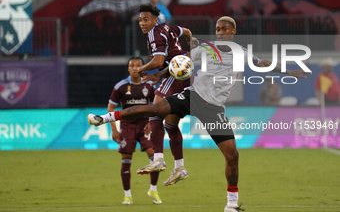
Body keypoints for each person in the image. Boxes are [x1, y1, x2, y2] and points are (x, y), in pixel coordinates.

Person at [88, 16, 311, 212]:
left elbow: (262, 63)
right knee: (157, 110)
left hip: (214, 109)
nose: (221, 32)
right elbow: (180, 61)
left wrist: (290, 71)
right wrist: (161, 74)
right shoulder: (205, 49)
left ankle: (231, 205)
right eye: (218, 29)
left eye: (225, 29)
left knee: (232, 156)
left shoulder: (241, 53)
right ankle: (105, 118)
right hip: (193, 97)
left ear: (233, 31)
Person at [135, 3, 192, 186]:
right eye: (140, 20)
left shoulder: (154, 33)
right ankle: (180, 168)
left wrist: (139, 69)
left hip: (174, 73)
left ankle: (158, 159)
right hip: (185, 72)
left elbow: (158, 60)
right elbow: (188, 32)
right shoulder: (169, 27)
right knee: (170, 123)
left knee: (154, 111)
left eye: (146, 19)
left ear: (154, 19)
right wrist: (190, 48)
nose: (142, 23)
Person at [106, 56, 161, 205]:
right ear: (128, 68)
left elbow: (157, 105)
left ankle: (153, 189)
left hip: (145, 126)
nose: (135, 68)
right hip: (127, 127)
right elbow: (111, 108)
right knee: (126, 161)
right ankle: (127, 195)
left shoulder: (150, 85)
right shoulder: (121, 86)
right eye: (132, 65)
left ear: (144, 68)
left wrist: (152, 121)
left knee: (155, 159)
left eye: (138, 65)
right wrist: (114, 129)